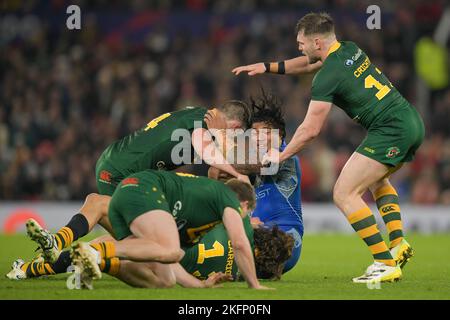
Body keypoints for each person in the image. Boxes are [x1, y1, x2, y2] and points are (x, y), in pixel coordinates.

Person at [232, 12, 425, 283]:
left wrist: (282, 154)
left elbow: (310, 130)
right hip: (411, 121)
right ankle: (397, 244)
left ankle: (384, 262)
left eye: (301, 43)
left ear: (317, 43)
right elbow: (309, 65)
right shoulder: (349, 50)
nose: (299, 47)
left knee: (344, 193)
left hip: (391, 130)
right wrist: (268, 66)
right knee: (378, 181)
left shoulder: (326, 77)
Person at [25, 102, 252, 264]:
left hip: (116, 161)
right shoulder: (203, 122)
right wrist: (237, 174)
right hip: (122, 172)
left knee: (133, 242)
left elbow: (211, 164)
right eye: (235, 137)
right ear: (234, 128)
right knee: (146, 247)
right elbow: (205, 150)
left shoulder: (198, 114)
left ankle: (56, 246)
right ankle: (51, 261)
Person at [7, 220, 293, 288]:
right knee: (109, 257)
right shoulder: (237, 275)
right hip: (164, 268)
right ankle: (27, 269)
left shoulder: (238, 225)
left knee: (97, 206)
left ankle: (44, 255)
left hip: (160, 237)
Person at [210, 92, 304, 274]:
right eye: (254, 133)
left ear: (281, 135)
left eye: (266, 132)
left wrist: (220, 137)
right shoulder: (250, 161)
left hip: (285, 240)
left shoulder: (287, 157)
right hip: (256, 232)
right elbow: (216, 172)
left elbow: (246, 164)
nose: (259, 138)